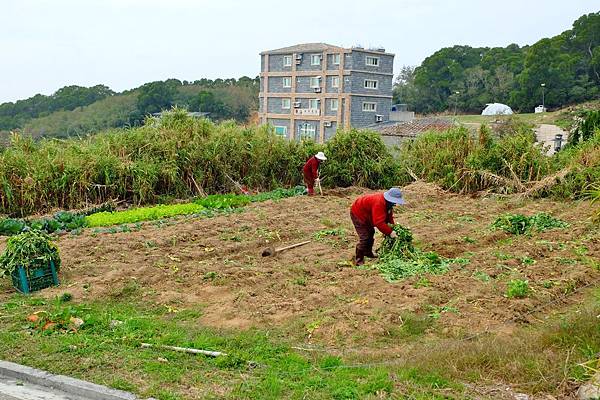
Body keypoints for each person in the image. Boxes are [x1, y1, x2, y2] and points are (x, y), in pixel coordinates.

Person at [350, 187, 406, 266]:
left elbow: (389, 216)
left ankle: (368, 252)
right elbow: (379, 223)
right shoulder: (379, 203)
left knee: (371, 232)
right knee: (365, 237)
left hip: (367, 214)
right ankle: (358, 259)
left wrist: (392, 226)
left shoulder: (388, 204)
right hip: (358, 213)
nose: (395, 204)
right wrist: (390, 232)